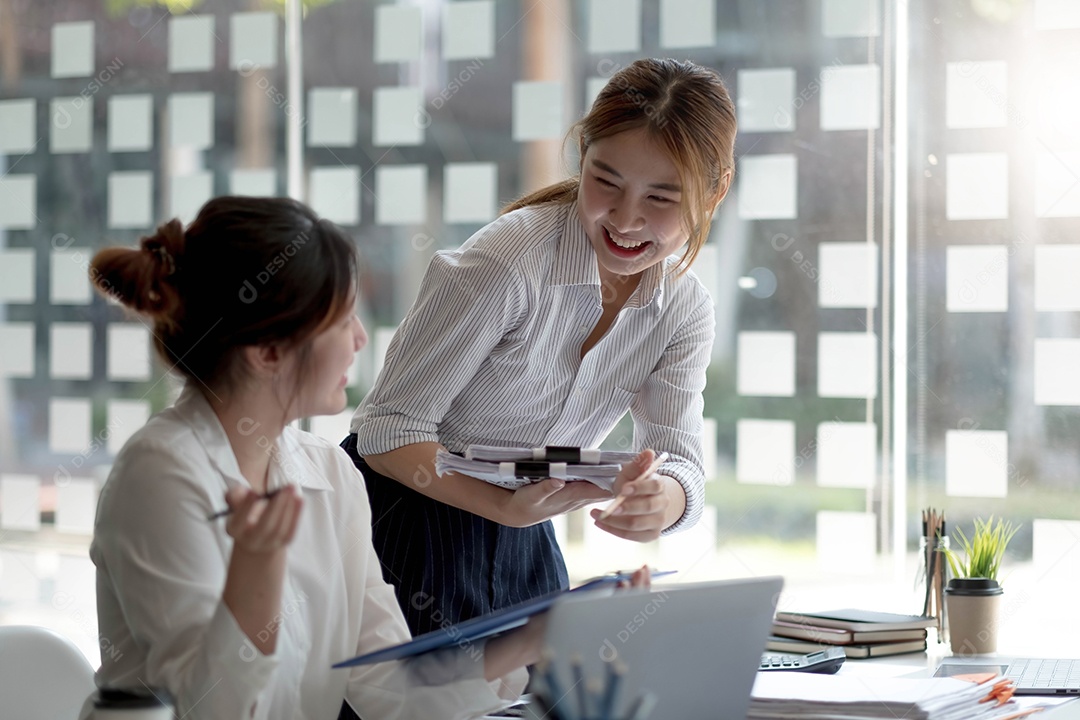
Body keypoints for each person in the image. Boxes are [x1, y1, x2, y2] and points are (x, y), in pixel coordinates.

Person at [84, 196, 553, 720]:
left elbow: (387, 679)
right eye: (343, 319)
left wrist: (532, 639)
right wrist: (255, 573)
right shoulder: (157, 475)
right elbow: (211, 709)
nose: (360, 339)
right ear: (268, 351)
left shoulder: (330, 471)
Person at [344, 57, 736, 636]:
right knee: (422, 687)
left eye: (661, 198)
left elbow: (682, 461)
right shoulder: (508, 262)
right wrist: (503, 508)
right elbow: (386, 432)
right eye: (606, 182)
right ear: (582, 155)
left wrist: (665, 498)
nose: (626, 219)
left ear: (716, 190)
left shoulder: (684, 306)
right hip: (406, 518)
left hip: (527, 531)